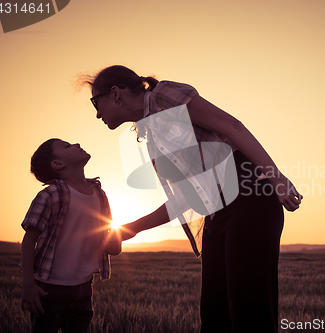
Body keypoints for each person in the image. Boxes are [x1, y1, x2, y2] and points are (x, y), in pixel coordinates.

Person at [84, 65, 302, 332]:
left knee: (250, 312)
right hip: (218, 213)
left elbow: (232, 126)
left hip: (249, 200)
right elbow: (186, 197)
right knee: (214, 315)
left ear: (115, 93)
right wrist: (131, 229)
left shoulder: (164, 95)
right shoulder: (150, 134)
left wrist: (275, 176)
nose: (97, 113)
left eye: (96, 101)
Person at [21, 138, 122, 333]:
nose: (75, 143)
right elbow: (29, 240)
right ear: (58, 164)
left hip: (84, 288)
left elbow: (110, 238)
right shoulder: (50, 195)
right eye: (66, 146)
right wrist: (28, 285)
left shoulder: (100, 194)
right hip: (49, 289)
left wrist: (114, 241)